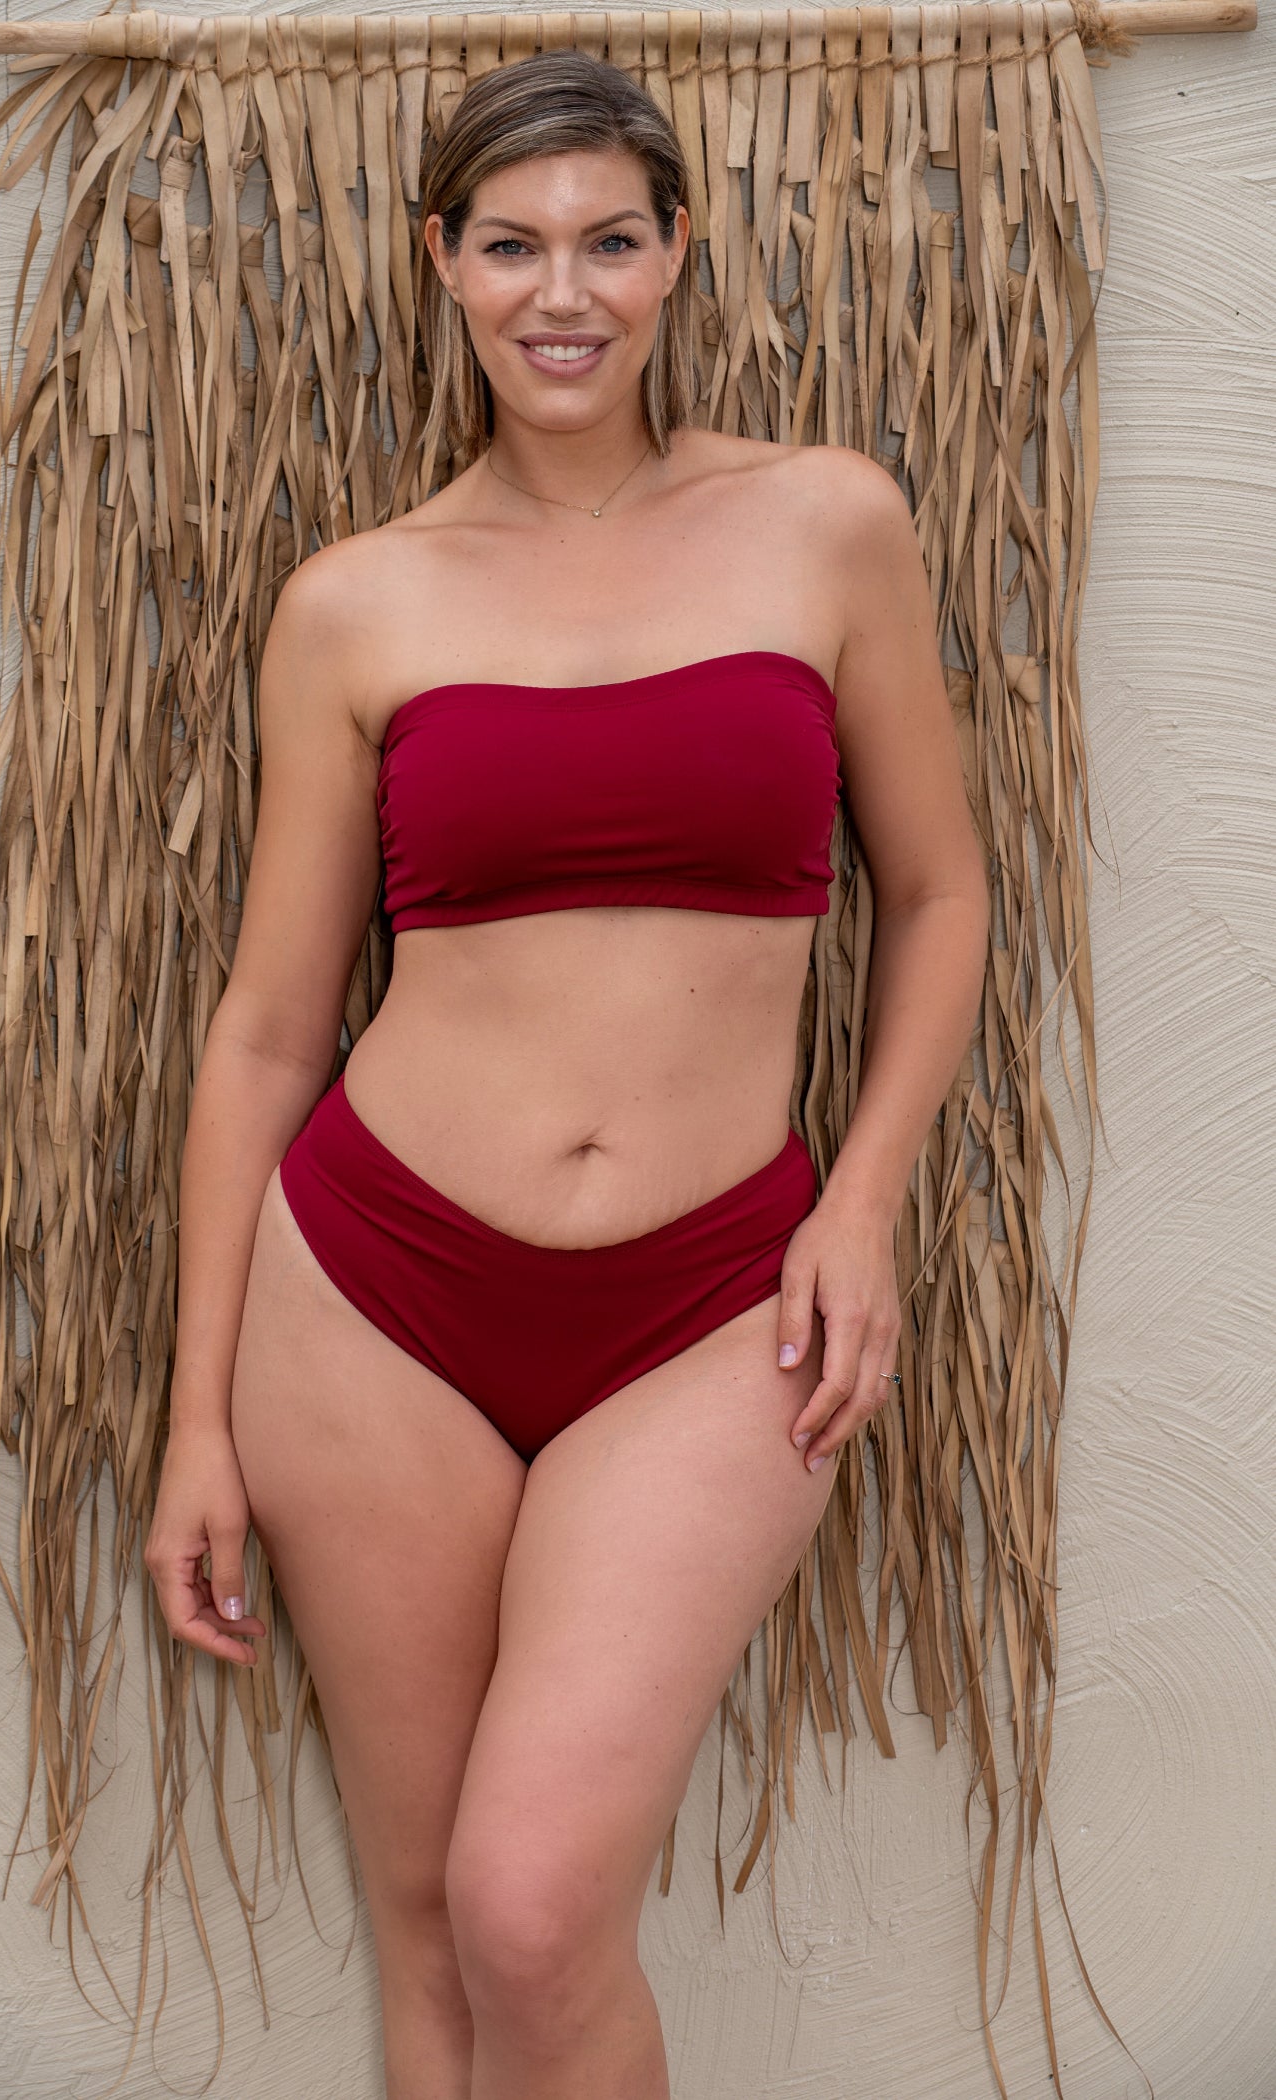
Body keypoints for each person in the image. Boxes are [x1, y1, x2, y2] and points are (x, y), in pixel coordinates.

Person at [143, 47, 989, 2100]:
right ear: (442, 262)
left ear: (678, 252)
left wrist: (860, 1203)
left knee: (536, 1904)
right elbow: (268, 1028)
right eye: (512, 245)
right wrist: (197, 1424)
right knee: (431, 1922)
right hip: (372, 1301)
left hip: (719, 1301)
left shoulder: (826, 522)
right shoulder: (356, 603)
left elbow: (945, 895)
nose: (564, 293)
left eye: (612, 240)